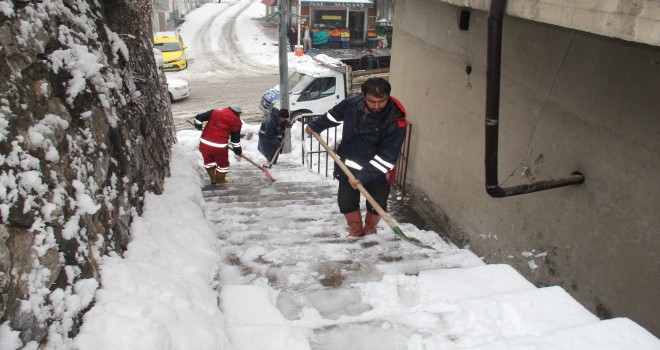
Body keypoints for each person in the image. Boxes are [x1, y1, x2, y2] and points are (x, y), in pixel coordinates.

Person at [305, 78, 407, 237]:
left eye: (382, 101)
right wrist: (316, 125)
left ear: (388, 96)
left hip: (377, 172)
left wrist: (363, 176)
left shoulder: (395, 121)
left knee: (377, 204)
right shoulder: (352, 104)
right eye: (372, 101)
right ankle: (355, 231)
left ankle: (370, 231)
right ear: (364, 96)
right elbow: (333, 116)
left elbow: (387, 156)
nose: (377, 106)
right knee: (346, 202)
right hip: (348, 165)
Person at [193, 104, 243, 184]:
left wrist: (198, 126)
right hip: (219, 148)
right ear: (238, 113)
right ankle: (220, 180)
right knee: (223, 165)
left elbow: (198, 118)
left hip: (205, 144)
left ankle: (213, 179)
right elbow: (235, 141)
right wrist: (238, 151)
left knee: (209, 162)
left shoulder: (214, 112)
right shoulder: (237, 123)